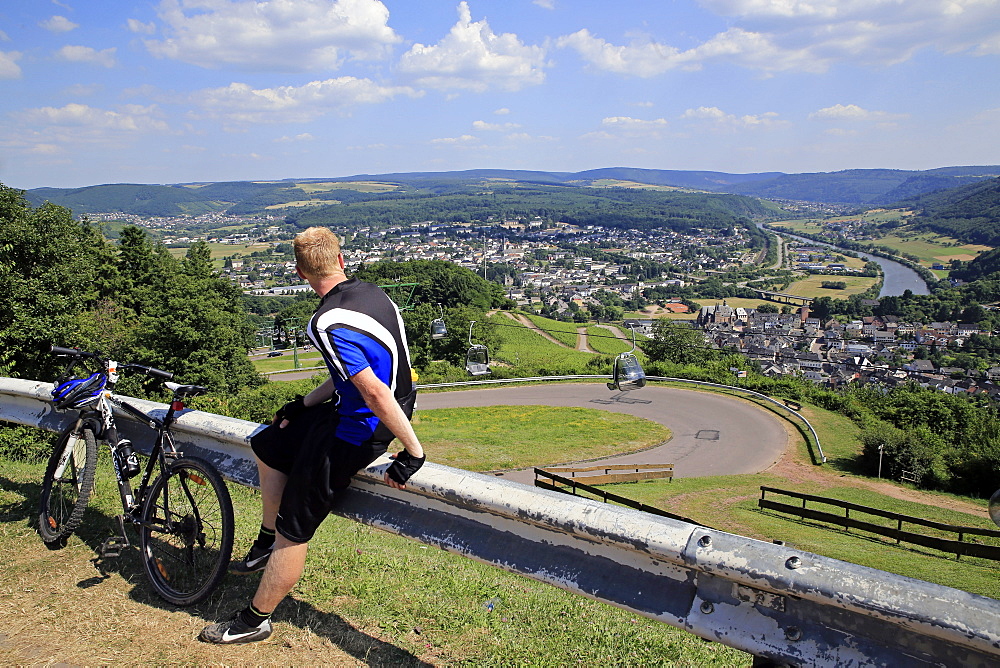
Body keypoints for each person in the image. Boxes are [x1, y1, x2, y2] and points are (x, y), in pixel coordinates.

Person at [200, 226, 425, 644]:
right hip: (365, 408)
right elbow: (349, 377)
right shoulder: (373, 294)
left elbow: (373, 390)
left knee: (296, 526)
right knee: (268, 442)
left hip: (360, 429)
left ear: (301, 273)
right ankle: (266, 538)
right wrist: (301, 406)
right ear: (340, 260)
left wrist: (413, 452)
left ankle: (255, 620)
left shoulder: (324, 322)